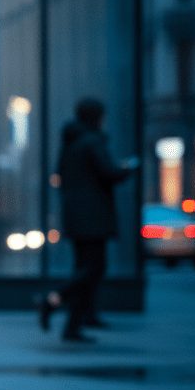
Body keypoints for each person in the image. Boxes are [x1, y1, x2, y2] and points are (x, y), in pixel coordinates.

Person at [38, 97, 137, 342]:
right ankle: (54, 301)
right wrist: (129, 168)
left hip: (77, 217)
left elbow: (61, 174)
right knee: (92, 269)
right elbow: (109, 173)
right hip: (93, 217)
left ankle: (76, 321)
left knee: (86, 268)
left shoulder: (71, 144)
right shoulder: (92, 142)